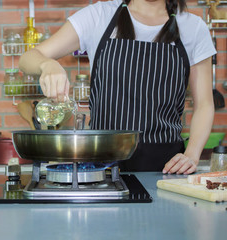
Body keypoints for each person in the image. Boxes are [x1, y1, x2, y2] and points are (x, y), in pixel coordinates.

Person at [19, 0, 215, 174]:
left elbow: (204, 104)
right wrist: (47, 64)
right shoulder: (98, 16)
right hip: (100, 166)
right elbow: (28, 58)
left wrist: (192, 154)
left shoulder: (193, 27)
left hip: (166, 168)